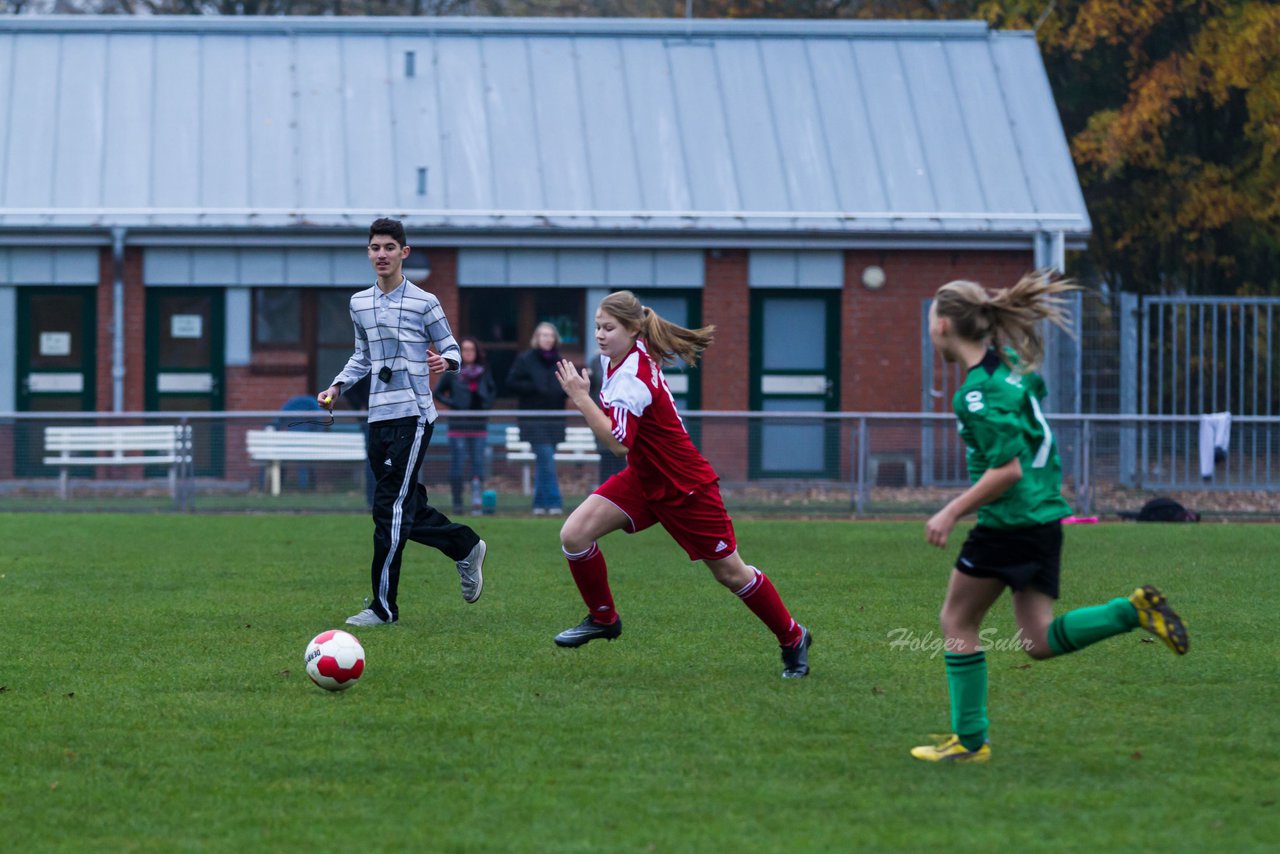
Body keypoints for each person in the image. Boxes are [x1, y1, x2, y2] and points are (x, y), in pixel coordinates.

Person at [912, 272, 1189, 763]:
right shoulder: (1008, 371)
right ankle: (1134, 610)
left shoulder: (977, 394)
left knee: (957, 618)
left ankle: (970, 742)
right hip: (1042, 520)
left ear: (945, 326)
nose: (930, 326)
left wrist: (951, 510)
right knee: (1038, 640)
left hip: (1008, 522)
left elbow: (1008, 470)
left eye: (933, 315)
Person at [551, 290, 812, 679]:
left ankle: (793, 637)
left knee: (730, 574)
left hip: (685, 486)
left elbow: (618, 444)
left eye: (609, 328)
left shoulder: (632, 375)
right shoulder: (623, 359)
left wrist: (579, 397)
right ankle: (604, 618)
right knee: (574, 534)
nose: (600, 336)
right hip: (645, 478)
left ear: (634, 330)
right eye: (597, 328)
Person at [319, 218, 487, 626]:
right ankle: (464, 545)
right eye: (375, 247)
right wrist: (338, 385)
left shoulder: (425, 301)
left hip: (414, 415)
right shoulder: (359, 303)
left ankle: (383, 607)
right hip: (377, 416)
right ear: (369, 252)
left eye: (389, 247)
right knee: (404, 507)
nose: (381, 254)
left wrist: (443, 361)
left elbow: (453, 349)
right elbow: (362, 356)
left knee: (387, 508)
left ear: (403, 253)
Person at [506, 321, 568, 515]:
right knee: (546, 458)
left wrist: (558, 391)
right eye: (543, 335)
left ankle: (539, 505)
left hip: (555, 420)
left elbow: (567, 386)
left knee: (544, 462)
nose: (547, 339)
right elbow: (511, 383)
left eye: (550, 335)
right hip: (533, 420)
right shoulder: (525, 359)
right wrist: (534, 388)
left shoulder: (559, 360)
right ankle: (555, 502)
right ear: (536, 338)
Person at [434, 336, 496, 516]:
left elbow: (492, 391)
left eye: (471, 350)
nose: (468, 353)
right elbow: (437, 392)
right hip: (458, 426)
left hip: (478, 425)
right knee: (457, 465)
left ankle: (477, 502)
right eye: (465, 350)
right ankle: (458, 503)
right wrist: (453, 403)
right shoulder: (453, 372)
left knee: (478, 464)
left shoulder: (483, 372)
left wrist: (485, 402)